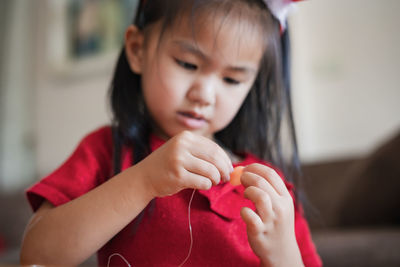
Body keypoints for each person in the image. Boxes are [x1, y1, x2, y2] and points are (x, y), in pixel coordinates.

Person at [20, 0, 322, 266]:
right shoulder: (106, 150)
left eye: (231, 79)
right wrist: (144, 180)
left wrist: (284, 255)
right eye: (187, 64)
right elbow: (38, 255)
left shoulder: (268, 187)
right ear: (138, 50)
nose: (204, 94)